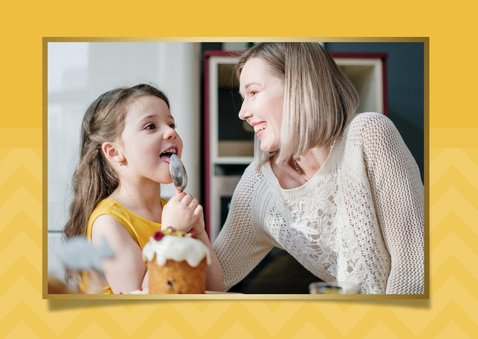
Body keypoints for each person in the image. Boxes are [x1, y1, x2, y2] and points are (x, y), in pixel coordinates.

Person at [213, 43, 424, 294]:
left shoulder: (368, 135)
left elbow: (414, 268)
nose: (242, 112)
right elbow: (212, 280)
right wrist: (184, 229)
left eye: (254, 92)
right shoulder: (258, 185)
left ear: (299, 88)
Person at [64, 84, 223, 294]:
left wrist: (198, 232)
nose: (171, 132)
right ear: (114, 152)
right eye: (150, 126)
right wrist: (172, 233)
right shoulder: (108, 222)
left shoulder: (170, 211)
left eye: (171, 124)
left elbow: (215, 289)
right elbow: (139, 301)